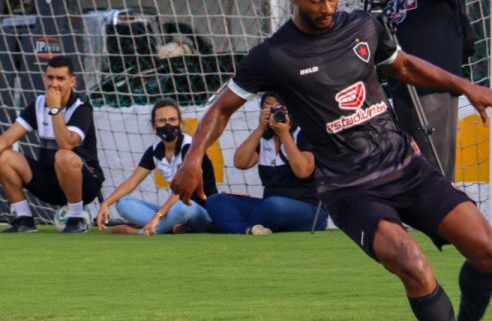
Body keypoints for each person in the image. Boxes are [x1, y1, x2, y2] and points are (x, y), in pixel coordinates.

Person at [172, 0, 492, 321]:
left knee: (486, 247)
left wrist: (466, 85)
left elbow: (406, 66)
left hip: (405, 167)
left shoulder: (364, 27)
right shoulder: (273, 55)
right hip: (350, 189)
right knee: (412, 264)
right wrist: (191, 160)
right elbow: (222, 108)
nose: (327, 7)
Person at [376, 0, 473, 181]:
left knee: (435, 163)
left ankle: (444, 216)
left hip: (434, 82)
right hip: (401, 81)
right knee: (408, 160)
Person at [0, 55, 104, 234]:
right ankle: (24, 219)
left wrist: (55, 109)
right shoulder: (39, 104)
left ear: (72, 81)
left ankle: (76, 218)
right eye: (50, 77)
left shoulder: (81, 108)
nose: (54, 84)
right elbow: (7, 139)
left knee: (63, 155)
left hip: (85, 184)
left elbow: (66, 144)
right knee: (4, 157)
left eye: (60, 79)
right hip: (49, 183)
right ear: (44, 78)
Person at [204, 91, 327, 235]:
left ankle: (231, 226)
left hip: (306, 209)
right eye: (268, 106)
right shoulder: (264, 138)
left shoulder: (303, 134)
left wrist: (284, 134)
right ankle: (248, 230)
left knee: (274, 206)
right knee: (216, 200)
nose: (275, 112)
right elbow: (240, 162)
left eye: (279, 107)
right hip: (268, 207)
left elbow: (303, 171)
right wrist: (260, 128)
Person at [96, 98, 215, 236]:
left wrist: (157, 216)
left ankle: (138, 231)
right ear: (154, 125)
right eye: (162, 121)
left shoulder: (190, 148)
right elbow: (132, 182)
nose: (168, 125)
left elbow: (181, 194)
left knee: (180, 208)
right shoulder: (154, 151)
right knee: (123, 203)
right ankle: (172, 227)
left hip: (199, 209)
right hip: (172, 210)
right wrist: (105, 203)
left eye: (172, 120)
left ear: (180, 122)